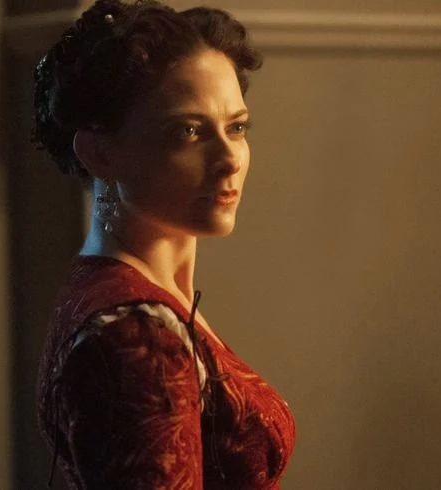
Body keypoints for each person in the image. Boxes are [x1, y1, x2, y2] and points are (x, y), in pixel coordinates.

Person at [31, 1, 296, 488]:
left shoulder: (118, 289)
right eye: (189, 131)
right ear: (100, 153)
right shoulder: (137, 337)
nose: (229, 159)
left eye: (236, 128)